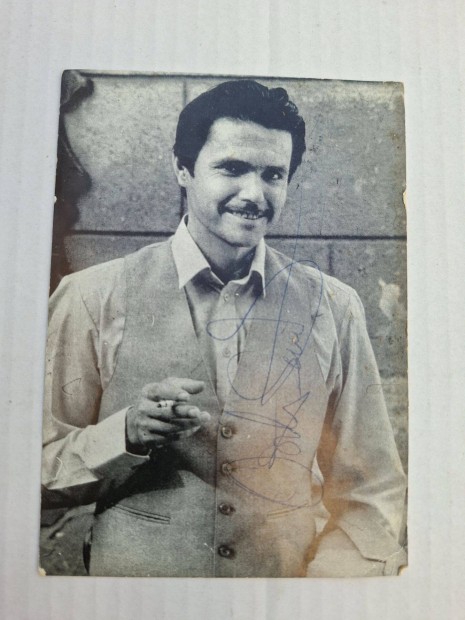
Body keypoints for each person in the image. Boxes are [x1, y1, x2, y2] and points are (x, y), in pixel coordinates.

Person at [42, 79, 407, 577]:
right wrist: (123, 435)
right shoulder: (91, 297)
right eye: (232, 168)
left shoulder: (333, 307)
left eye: (273, 174)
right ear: (183, 168)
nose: (254, 194)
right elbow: (32, 474)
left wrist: (323, 590)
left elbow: (371, 492)